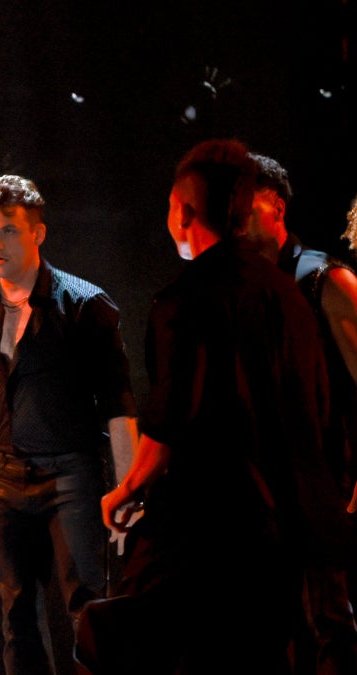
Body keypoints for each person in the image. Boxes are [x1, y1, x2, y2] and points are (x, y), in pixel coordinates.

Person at [76, 139, 354, 674]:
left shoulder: (185, 301)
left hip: (214, 524)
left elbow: (171, 418)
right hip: (288, 523)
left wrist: (127, 488)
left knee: (121, 640)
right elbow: (314, 403)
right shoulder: (287, 294)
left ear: (183, 212)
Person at [0, 174, 138, 675]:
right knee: (17, 620)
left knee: (89, 612)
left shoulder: (85, 305)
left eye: (9, 231)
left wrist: (128, 489)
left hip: (72, 475)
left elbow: (118, 404)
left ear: (38, 233)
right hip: (2, 481)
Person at [246, 153, 357, 674]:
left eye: (246, 205)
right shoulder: (241, 286)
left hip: (327, 486)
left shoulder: (322, 278)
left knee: (329, 625)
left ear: (276, 206)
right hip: (265, 491)